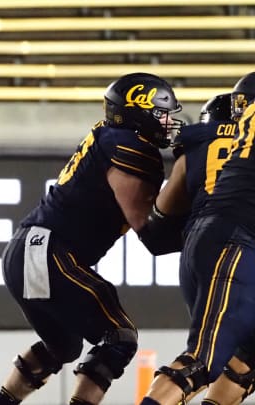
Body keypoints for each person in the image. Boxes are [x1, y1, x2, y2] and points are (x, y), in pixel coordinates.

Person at [0, 72, 183, 405]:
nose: (168, 122)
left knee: (63, 346)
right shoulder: (131, 145)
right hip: (49, 251)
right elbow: (150, 233)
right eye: (161, 113)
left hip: (29, 249)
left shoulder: (110, 135)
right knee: (119, 336)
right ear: (140, 112)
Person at [138, 72, 255, 405]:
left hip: (212, 242)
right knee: (203, 360)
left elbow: (157, 233)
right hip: (237, 247)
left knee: (245, 362)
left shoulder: (201, 141)